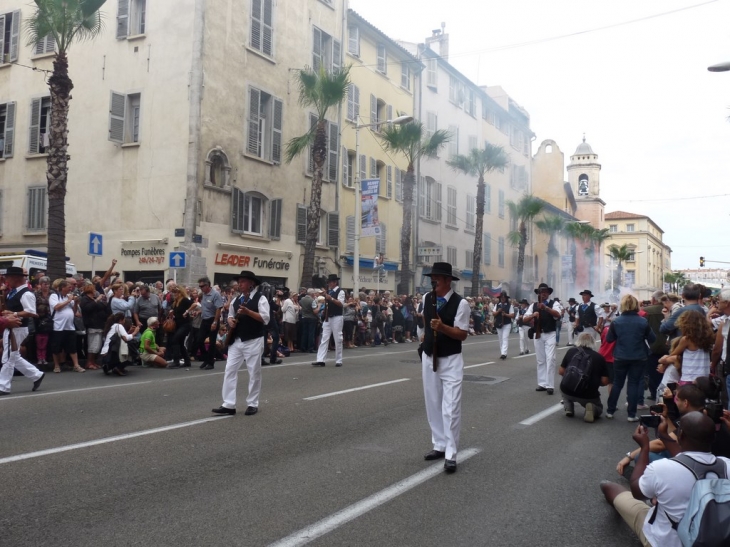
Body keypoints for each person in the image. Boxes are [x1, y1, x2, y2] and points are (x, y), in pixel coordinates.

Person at [600, 412, 730, 547]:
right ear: (713, 437)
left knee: (610, 488)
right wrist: (664, 436)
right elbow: (691, 462)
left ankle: (606, 487)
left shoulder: (662, 468)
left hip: (666, 542)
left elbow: (636, 491)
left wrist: (644, 448)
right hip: (718, 538)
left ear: (681, 435)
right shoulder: (726, 464)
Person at [420, 262, 470, 474]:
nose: (434, 281)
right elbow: (423, 323)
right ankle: (439, 444)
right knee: (433, 403)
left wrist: (443, 328)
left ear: (448, 281)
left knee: (450, 407)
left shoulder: (461, 304)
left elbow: (462, 334)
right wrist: (424, 342)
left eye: (438, 278)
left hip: (450, 359)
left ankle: (451, 452)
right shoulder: (427, 298)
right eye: (432, 278)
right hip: (430, 357)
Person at [212, 270, 269, 416]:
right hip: (237, 340)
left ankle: (252, 403)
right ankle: (229, 404)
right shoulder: (236, 300)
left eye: (243, 281)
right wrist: (230, 320)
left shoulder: (261, 299)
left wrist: (248, 312)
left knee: (254, 372)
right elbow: (230, 315)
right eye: (240, 282)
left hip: (253, 339)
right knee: (230, 370)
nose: (240, 284)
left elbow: (265, 318)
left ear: (251, 284)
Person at [605, 294, 656, 421]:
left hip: (620, 356)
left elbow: (609, 339)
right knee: (633, 383)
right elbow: (652, 338)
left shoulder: (616, 321)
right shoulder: (642, 321)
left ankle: (610, 410)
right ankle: (631, 414)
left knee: (617, 383)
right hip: (639, 356)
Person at [0, 267, 44, 395]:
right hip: (12, 327)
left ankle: (3, 386)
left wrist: (13, 313)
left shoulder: (26, 293)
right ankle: (36, 375)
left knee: (8, 356)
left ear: (15, 278)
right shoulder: (12, 292)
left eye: (8, 277)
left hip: (19, 328)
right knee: (14, 356)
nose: (6, 280)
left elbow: (32, 312)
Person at [559, 332, 609, 422]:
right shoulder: (599, 357)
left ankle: (568, 406)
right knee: (599, 408)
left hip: (568, 390)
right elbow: (605, 381)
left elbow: (561, 371)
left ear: (578, 341)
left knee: (564, 384)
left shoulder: (571, 351)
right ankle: (592, 408)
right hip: (588, 394)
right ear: (593, 342)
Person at [525, 283, 563, 395]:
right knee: (540, 360)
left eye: (545, 292)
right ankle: (542, 383)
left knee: (550, 359)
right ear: (538, 294)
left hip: (550, 333)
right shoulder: (533, 306)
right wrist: (533, 315)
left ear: (548, 293)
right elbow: (524, 318)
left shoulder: (554, 303)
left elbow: (558, 315)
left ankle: (550, 385)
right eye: (541, 292)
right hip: (539, 334)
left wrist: (546, 308)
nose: (543, 294)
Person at [49, 279, 86, 374]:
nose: (71, 289)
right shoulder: (54, 296)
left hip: (70, 326)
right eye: (68, 287)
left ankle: (76, 365)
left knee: (72, 347)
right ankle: (57, 365)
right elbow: (56, 307)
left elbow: (74, 312)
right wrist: (69, 300)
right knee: (56, 347)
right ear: (62, 288)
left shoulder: (69, 297)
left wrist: (76, 303)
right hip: (58, 326)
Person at [667, 310, 714, 384]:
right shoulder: (708, 337)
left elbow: (673, 354)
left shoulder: (686, 339)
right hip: (704, 376)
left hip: (689, 376)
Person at [312, 274, 345, 367]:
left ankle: (339, 360)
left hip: (337, 317)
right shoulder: (329, 291)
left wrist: (330, 298)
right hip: (328, 317)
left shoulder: (340, 291)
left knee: (338, 338)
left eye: (330, 282)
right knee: (324, 338)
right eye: (329, 282)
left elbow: (340, 304)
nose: (329, 283)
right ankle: (320, 359)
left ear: (335, 282)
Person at [78, 283, 109, 370]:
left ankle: (93, 362)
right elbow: (87, 308)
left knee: (97, 345)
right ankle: (89, 362)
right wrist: (97, 300)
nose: (95, 291)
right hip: (92, 324)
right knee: (92, 345)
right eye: (94, 290)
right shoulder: (85, 299)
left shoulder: (93, 299)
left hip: (99, 324)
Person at [195, 277, 223, 370]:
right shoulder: (203, 294)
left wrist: (215, 322)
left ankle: (211, 362)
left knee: (212, 342)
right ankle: (206, 358)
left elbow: (218, 309)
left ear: (207, 285)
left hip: (213, 319)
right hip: (204, 320)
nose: (201, 288)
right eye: (199, 286)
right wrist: (199, 312)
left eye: (202, 286)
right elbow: (205, 307)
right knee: (199, 340)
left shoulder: (215, 294)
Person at [167, 286, 195, 369]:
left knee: (175, 340)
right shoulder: (175, 302)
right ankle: (187, 361)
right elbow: (176, 313)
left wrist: (187, 311)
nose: (174, 294)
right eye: (173, 292)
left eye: (176, 292)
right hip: (179, 324)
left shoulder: (184, 300)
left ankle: (176, 361)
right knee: (180, 342)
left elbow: (195, 304)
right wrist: (172, 313)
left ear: (181, 292)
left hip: (185, 324)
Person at [33, 276, 53, 366]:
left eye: (48, 284)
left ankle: (45, 358)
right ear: (40, 285)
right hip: (38, 319)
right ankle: (39, 358)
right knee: (38, 340)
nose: (47, 286)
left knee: (46, 340)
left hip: (49, 318)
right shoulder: (35, 294)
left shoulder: (52, 294)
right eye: (45, 284)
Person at [492, 291, 514, 360]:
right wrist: (498, 311)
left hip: (507, 324)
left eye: (504, 297)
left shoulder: (510, 306)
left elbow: (512, 315)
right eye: (502, 297)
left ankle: (504, 353)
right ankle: (502, 352)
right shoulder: (497, 305)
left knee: (505, 338)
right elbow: (493, 314)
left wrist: (506, 314)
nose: (503, 298)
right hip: (499, 323)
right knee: (500, 338)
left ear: (506, 298)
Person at [299, 288, 318, 354]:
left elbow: (301, 306)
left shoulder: (302, 300)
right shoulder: (312, 301)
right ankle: (310, 348)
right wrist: (319, 307)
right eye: (314, 293)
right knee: (311, 333)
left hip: (304, 317)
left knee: (304, 333)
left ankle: (303, 347)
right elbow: (315, 311)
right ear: (312, 294)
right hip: (311, 317)